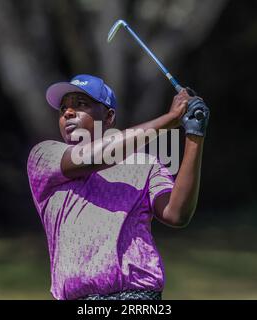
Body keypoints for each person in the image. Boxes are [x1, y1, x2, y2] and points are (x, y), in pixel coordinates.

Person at [27, 74, 209, 300]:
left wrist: (195, 135)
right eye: (63, 108)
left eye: (81, 104)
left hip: (138, 297)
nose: (68, 112)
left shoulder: (144, 165)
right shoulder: (44, 157)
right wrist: (170, 119)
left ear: (109, 116)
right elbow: (93, 157)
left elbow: (176, 213)